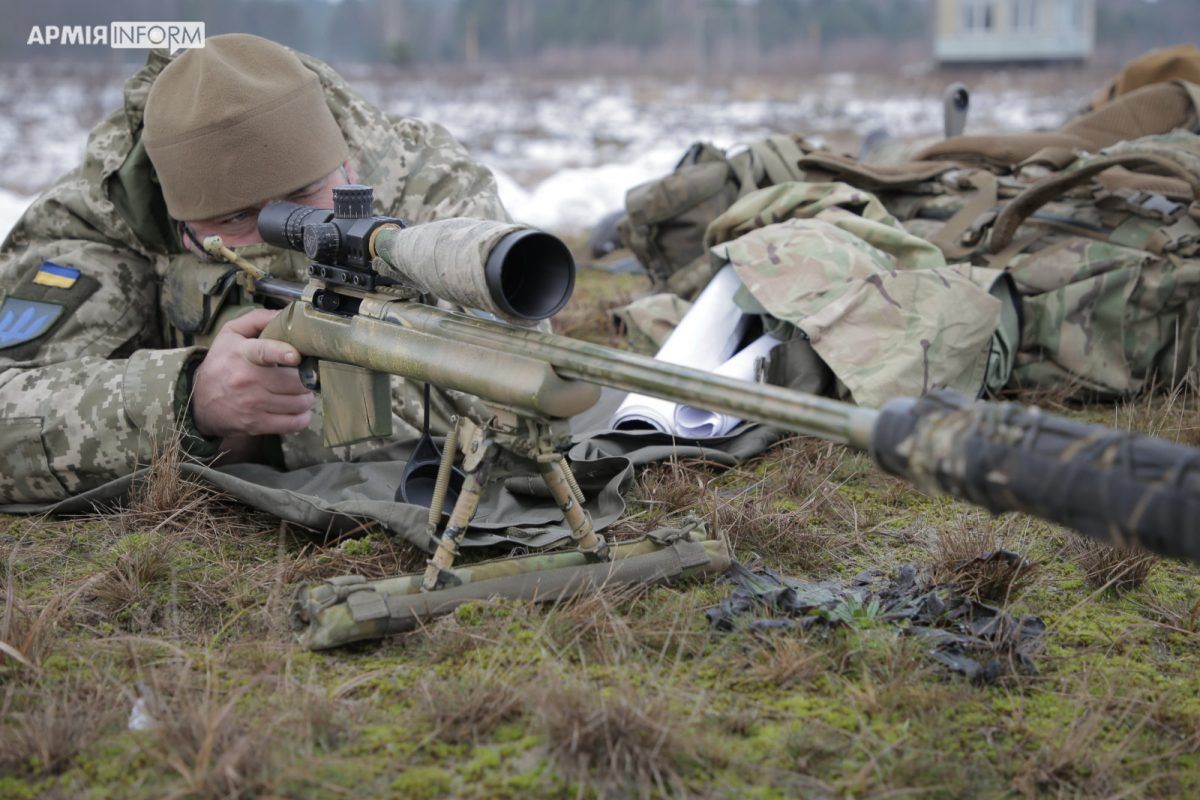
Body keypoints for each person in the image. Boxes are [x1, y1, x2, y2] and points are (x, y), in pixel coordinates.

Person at [0, 33, 508, 505]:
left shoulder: (425, 181)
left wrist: (312, 390)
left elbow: (510, 385)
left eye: (306, 193)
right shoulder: (96, 228)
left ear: (349, 166)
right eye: (238, 217)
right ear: (181, 226)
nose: (288, 225)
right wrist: (187, 397)